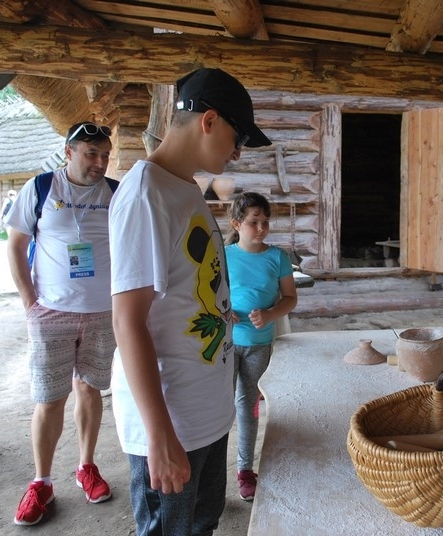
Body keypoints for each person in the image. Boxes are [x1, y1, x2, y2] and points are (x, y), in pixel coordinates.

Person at [109, 67, 271, 536]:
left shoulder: (184, 189)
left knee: (201, 525)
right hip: (170, 419)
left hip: (203, 412)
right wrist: (158, 435)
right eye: (236, 137)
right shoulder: (146, 195)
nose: (237, 151)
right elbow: (127, 322)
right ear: (209, 121)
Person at [4, 122, 118, 526]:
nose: (100, 162)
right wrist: (29, 301)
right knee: (50, 398)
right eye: (91, 153)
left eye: (105, 154)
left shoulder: (115, 193)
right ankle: (42, 482)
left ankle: (86, 467)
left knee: (89, 389)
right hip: (51, 311)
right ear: (68, 153)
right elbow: (16, 246)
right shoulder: (40, 189)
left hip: (102, 312)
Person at [224, 192, 297, 501]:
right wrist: (223, 313)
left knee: (248, 406)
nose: (262, 228)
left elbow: (290, 298)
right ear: (237, 224)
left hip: (258, 346)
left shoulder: (278, 257)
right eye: (254, 222)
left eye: (266, 222)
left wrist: (269, 314)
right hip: (225, 346)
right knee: (218, 408)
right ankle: (209, 470)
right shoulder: (223, 254)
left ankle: (244, 470)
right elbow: (206, 292)